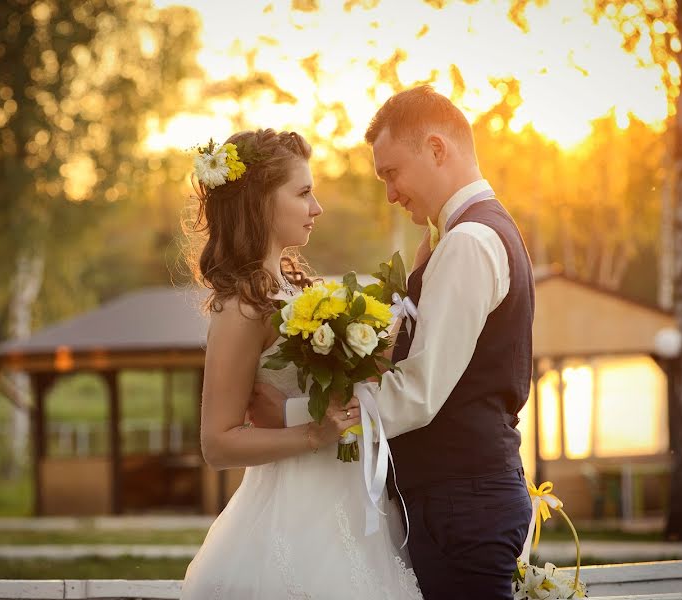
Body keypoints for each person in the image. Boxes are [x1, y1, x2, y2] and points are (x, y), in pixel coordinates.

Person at [251, 86, 535, 599]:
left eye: (391, 173)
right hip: (462, 497)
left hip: (463, 502)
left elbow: (419, 390)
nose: (390, 193)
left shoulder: (469, 244)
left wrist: (315, 418)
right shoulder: (464, 235)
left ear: (437, 148)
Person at [179, 128, 423, 599]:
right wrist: (314, 432)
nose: (318, 208)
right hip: (292, 519)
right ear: (261, 203)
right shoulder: (242, 309)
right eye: (304, 193)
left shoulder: (300, 289)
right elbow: (217, 442)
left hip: (354, 506)